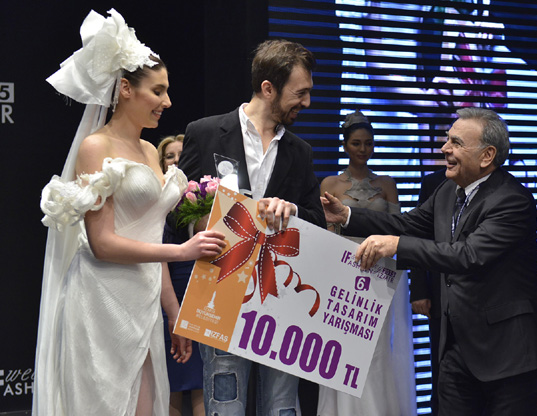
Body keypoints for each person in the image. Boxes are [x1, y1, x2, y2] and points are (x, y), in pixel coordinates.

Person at [34, 9, 226, 416]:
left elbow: (149, 235)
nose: (167, 102)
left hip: (144, 300)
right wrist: (183, 251)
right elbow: (102, 244)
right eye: (158, 91)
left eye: (166, 91)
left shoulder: (149, 152)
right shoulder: (96, 147)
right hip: (100, 298)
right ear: (125, 89)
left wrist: (173, 311)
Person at [322, 107, 537, 416]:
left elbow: (468, 255)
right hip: (457, 349)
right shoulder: (448, 190)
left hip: (508, 354)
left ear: (487, 156)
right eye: (447, 139)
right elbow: (407, 224)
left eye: (456, 142)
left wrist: (396, 246)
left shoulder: (512, 200)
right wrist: (348, 216)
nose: (445, 148)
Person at [178, 39, 326, 416]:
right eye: (300, 93)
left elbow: (317, 221)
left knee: (282, 405)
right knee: (224, 401)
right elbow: (176, 213)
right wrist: (203, 224)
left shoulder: (300, 152)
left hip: (281, 294)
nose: (307, 102)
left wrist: (292, 210)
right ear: (268, 88)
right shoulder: (205, 132)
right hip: (220, 288)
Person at [316, 111, 416, 415]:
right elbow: (325, 234)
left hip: (380, 271)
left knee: (379, 347)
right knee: (344, 343)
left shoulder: (387, 184)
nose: (363, 149)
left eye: (368, 143)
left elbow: (399, 228)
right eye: (356, 143)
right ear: (345, 145)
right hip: (343, 271)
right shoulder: (330, 183)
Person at [158, 134, 205, 416]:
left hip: (201, 294)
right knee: (172, 381)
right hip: (167, 292)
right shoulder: (154, 201)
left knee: (201, 382)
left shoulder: (205, 197)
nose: (176, 161)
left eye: (181, 155)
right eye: (169, 156)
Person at [408, 167, 447, 416]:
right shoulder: (434, 183)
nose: (447, 149)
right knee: (441, 367)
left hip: (485, 301)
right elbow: (417, 234)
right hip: (440, 292)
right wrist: (419, 289)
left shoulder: (506, 190)